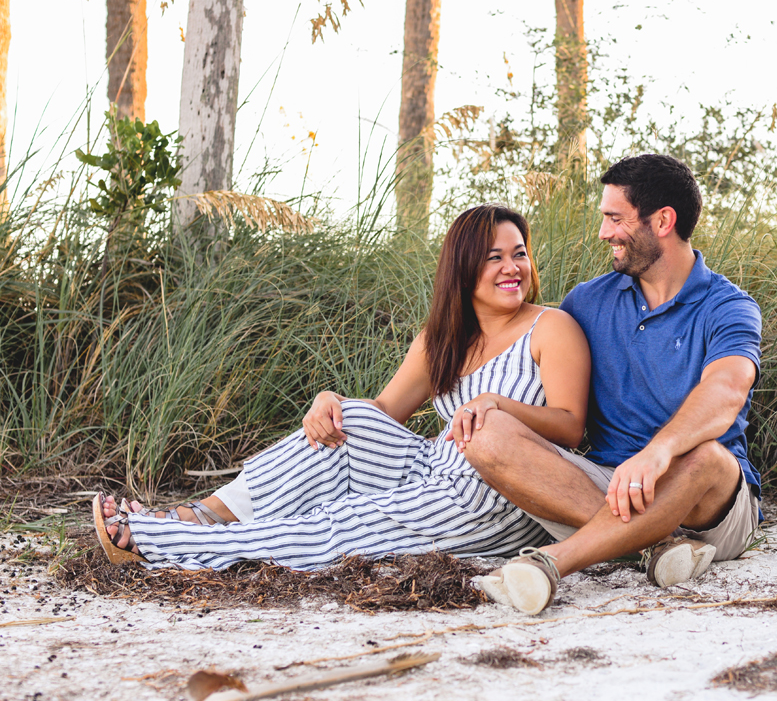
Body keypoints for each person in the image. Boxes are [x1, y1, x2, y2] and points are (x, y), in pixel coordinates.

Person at [92, 205, 591, 570]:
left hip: (496, 496)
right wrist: (329, 401)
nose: (512, 269)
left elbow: (570, 428)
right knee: (346, 420)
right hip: (432, 468)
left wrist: (499, 405)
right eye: (494, 257)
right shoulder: (441, 341)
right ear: (462, 269)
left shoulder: (550, 327)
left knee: (341, 521)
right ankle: (199, 516)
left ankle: (161, 543)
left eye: (520, 254)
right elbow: (383, 412)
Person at [459, 154, 763, 614]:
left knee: (706, 456)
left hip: (706, 504)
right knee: (483, 432)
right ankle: (655, 547)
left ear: (663, 221)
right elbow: (514, 335)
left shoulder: (729, 307)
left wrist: (658, 452)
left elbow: (726, 391)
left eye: (614, 218)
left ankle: (550, 563)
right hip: (604, 487)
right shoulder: (588, 301)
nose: (603, 233)